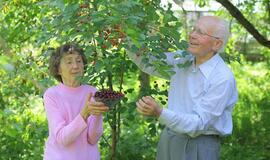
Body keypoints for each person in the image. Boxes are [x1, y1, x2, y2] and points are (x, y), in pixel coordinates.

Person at [127, 16, 238, 160]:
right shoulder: (183, 59)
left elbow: (199, 124)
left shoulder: (222, 78)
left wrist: (160, 112)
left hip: (198, 145)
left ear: (216, 44)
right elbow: (148, 62)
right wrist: (125, 35)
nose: (192, 34)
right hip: (169, 138)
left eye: (200, 32)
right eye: (193, 29)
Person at [43, 43, 109, 160]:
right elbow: (62, 139)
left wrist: (97, 113)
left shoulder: (93, 92)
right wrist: (85, 113)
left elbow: (93, 138)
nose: (75, 66)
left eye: (79, 61)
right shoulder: (51, 95)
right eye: (69, 62)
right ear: (58, 69)